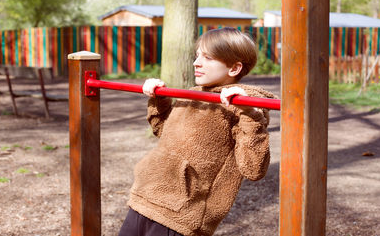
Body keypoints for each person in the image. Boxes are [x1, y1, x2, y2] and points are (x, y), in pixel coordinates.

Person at [118, 27, 276, 236]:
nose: (196, 62)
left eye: (207, 57)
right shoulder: (192, 94)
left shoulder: (244, 106)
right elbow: (165, 132)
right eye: (197, 55)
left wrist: (250, 114)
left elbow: (253, 169)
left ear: (234, 68)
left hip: (180, 215)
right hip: (145, 196)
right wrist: (159, 98)